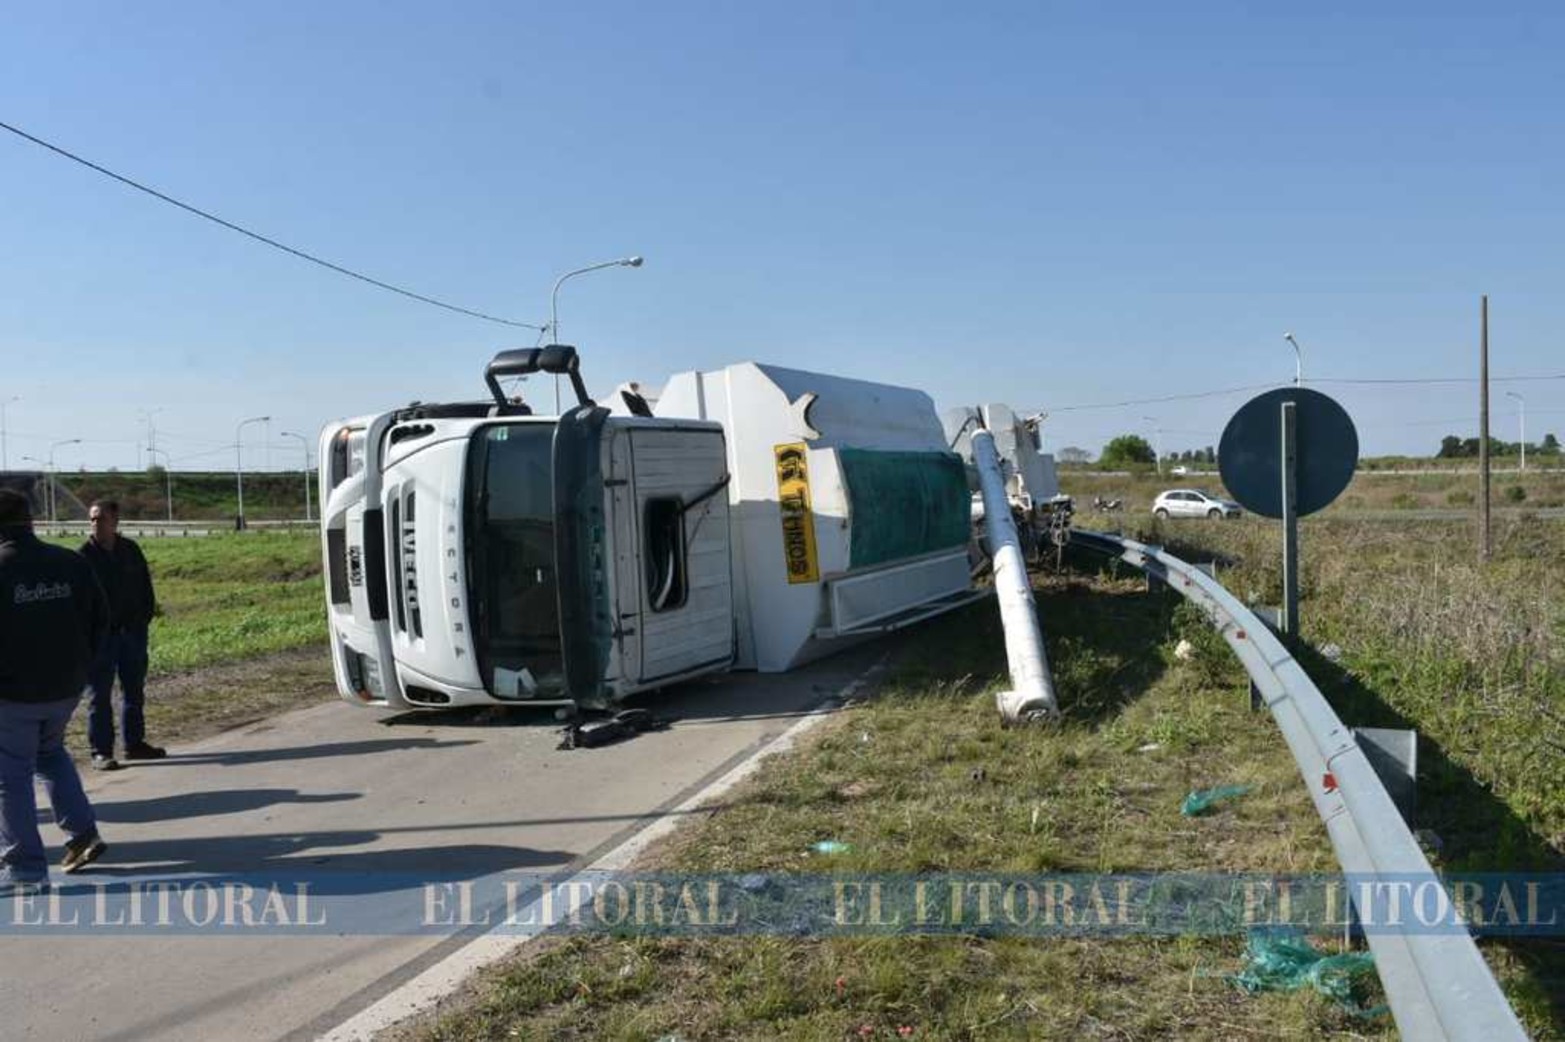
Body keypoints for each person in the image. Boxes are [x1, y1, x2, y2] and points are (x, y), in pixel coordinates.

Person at [0, 488, 110, 891]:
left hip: (12, 695)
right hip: (65, 688)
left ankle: (25, 867)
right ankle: (82, 834)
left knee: (10, 776)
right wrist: (80, 667)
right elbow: (100, 619)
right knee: (49, 754)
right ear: (30, 520)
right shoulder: (70, 562)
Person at [81, 499, 166, 769]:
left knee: (134, 690)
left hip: (132, 634)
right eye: (92, 519)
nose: (96, 524)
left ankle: (134, 744)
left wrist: (142, 620)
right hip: (101, 639)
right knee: (99, 696)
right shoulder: (82, 557)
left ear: (115, 521)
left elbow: (145, 589)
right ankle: (101, 751)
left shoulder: (130, 550)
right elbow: (80, 602)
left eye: (101, 518)